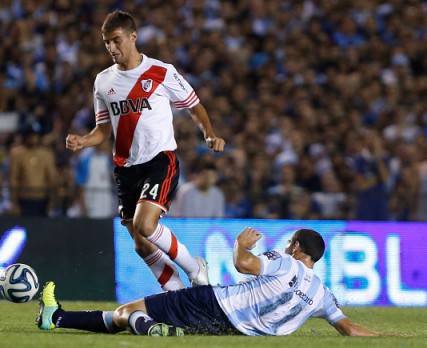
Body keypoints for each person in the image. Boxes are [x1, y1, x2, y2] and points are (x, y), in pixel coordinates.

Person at [65, 11, 225, 290]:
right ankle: (175, 293)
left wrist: (209, 133)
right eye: (106, 43)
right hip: (126, 168)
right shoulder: (103, 81)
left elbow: (194, 105)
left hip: (160, 160)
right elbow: (102, 130)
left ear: (133, 37)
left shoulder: (161, 72)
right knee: (140, 244)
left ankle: (194, 266)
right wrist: (83, 141)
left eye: (116, 41)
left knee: (146, 225)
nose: (112, 48)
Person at [36, 228, 381, 337]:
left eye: (292, 243)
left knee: (127, 312)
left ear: (297, 248)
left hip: (214, 303)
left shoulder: (284, 261)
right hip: (232, 331)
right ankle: (58, 316)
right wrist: (388, 336)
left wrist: (241, 244)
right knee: (164, 298)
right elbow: (350, 329)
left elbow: (244, 264)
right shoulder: (322, 295)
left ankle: (146, 326)